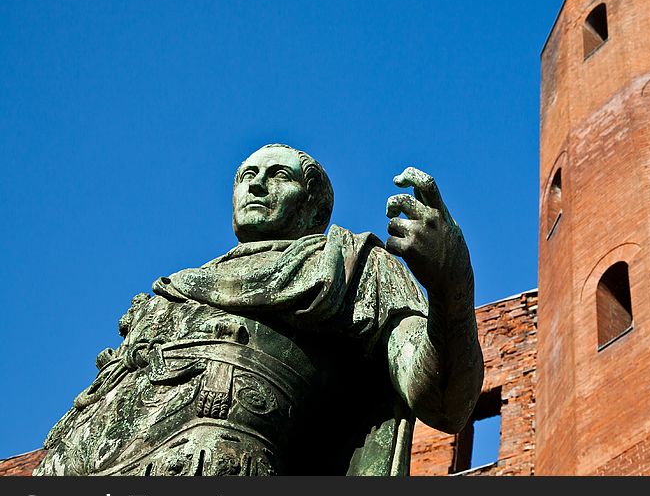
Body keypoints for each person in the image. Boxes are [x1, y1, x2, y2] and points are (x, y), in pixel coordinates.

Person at [35, 144, 483, 475]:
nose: (255, 183)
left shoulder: (351, 267)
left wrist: (452, 286)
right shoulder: (174, 293)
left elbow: (443, 402)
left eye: (278, 175)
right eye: (246, 174)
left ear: (314, 208)